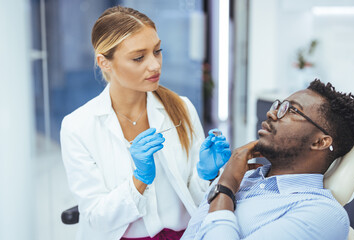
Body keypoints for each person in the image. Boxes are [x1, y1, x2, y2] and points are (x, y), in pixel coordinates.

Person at [60, 6, 230, 240]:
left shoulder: (181, 108)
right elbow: (95, 219)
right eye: (138, 57)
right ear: (104, 62)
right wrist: (138, 180)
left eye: (157, 51)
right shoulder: (78, 127)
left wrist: (206, 174)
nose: (154, 65)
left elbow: (197, 201)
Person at [181, 79, 354, 240]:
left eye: (291, 110)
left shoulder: (324, 214)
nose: (272, 113)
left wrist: (225, 187)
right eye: (278, 106)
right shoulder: (244, 178)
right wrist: (214, 178)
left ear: (320, 142)